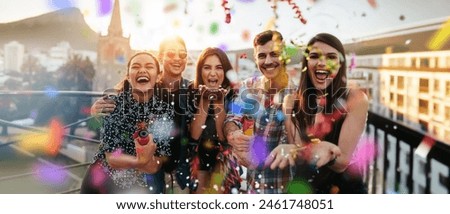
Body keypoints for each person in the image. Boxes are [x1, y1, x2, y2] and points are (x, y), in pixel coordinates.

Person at [90, 36, 194, 194]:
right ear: (161, 58)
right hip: (149, 171)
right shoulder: (148, 85)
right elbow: (121, 91)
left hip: (176, 170)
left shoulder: (192, 90)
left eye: (182, 54)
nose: (177, 59)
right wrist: (96, 109)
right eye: (171, 54)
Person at [289, 33, 369, 193]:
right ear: (306, 62)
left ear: (340, 64)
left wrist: (329, 153)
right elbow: (296, 152)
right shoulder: (291, 101)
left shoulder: (356, 98)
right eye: (314, 56)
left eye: (331, 57)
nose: (322, 62)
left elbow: (342, 162)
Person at [80, 52, 162, 193]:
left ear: (159, 75)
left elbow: (157, 163)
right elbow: (111, 157)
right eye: (136, 66)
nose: (142, 70)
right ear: (128, 76)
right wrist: (141, 161)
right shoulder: (114, 104)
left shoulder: (164, 109)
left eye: (149, 66)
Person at [188, 47, 241, 193]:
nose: (212, 73)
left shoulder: (235, 96)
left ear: (225, 72)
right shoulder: (190, 92)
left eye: (218, 68)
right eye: (207, 68)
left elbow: (225, 140)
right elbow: (193, 137)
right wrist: (204, 101)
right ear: (200, 71)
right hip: (197, 163)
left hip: (224, 163)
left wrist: (218, 102)